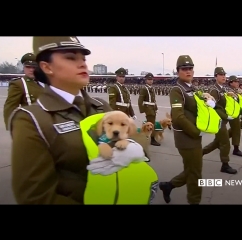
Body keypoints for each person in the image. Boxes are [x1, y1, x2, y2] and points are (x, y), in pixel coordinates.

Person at [9, 36, 154, 205]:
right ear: (46, 67)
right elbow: (35, 197)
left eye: (83, 59)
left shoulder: (101, 106)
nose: (82, 64)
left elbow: (136, 138)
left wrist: (135, 148)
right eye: (71, 58)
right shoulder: (32, 120)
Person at [159, 55, 204, 205]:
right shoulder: (177, 90)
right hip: (186, 138)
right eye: (184, 69)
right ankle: (194, 201)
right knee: (195, 174)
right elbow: (178, 117)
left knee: (192, 170)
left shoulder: (192, 88)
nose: (188, 71)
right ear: (178, 71)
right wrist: (196, 132)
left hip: (194, 136)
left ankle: (168, 185)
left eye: (190, 68)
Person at [202, 67, 237, 174]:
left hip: (223, 119)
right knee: (225, 142)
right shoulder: (214, 90)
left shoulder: (222, 89)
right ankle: (225, 165)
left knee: (217, 142)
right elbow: (214, 107)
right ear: (215, 76)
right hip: (218, 120)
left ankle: (198, 153)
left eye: (224, 75)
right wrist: (225, 117)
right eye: (221, 75)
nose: (223, 77)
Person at [3, 53, 44, 130]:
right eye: (28, 67)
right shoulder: (19, 84)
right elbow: (10, 107)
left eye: (34, 67)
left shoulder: (45, 82)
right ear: (24, 68)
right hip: (31, 125)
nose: (31, 70)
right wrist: (13, 127)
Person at [138, 72, 160, 146]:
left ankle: (148, 137)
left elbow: (153, 100)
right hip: (148, 109)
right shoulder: (144, 89)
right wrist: (142, 110)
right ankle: (152, 139)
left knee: (151, 124)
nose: (150, 81)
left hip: (152, 108)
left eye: (151, 79)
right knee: (151, 125)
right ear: (146, 80)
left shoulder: (151, 88)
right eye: (149, 79)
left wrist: (156, 108)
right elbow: (140, 100)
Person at [226, 75, 242, 157]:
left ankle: (221, 142)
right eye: (236, 82)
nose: (238, 83)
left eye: (238, 82)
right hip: (229, 113)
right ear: (231, 83)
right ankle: (236, 149)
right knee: (236, 130)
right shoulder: (228, 90)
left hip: (235, 113)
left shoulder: (237, 90)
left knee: (235, 130)